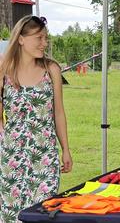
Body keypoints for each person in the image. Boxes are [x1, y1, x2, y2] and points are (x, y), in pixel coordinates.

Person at [0, 15, 73, 223]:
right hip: (11, 158)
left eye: (46, 38)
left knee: (42, 213)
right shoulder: (5, 70)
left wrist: (66, 149)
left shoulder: (51, 70)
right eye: (39, 38)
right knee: (11, 216)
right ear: (21, 39)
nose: (44, 43)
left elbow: (58, 112)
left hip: (45, 157)